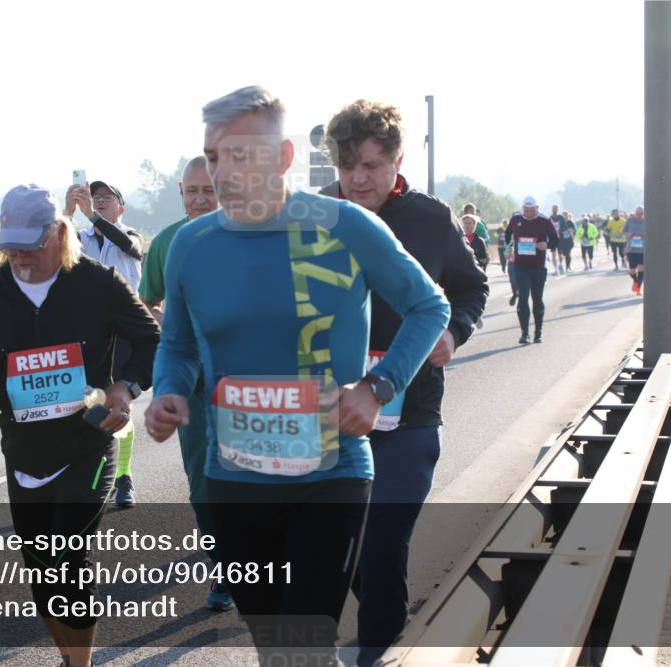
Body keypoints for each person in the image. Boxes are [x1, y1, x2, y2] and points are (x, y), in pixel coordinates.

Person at [145, 86, 450, 666]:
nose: (224, 173)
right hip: (233, 479)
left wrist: (378, 388)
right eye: (214, 157)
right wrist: (167, 392)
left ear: (284, 157)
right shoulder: (191, 244)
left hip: (330, 475)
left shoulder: (346, 225)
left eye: (241, 157)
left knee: (301, 646)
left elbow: (429, 307)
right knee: (276, 651)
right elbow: (179, 343)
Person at [0, 184, 160, 667]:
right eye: (10, 249)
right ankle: (68, 658)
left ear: (59, 233)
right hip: (23, 452)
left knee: (70, 560)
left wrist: (124, 388)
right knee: (42, 571)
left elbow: (149, 339)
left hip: (87, 441)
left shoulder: (99, 283)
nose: (20, 259)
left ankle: (80, 664)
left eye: (30, 247)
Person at [322, 99, 487, 667]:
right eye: (348, 168)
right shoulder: (317, 219)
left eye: (371, 164)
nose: (359, 178)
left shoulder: (430, 219)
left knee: (384, 545)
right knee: (346, 554)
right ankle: (391, 626)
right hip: (331, 414)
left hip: (409, 414)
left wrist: (455, 332)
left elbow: (470, 288)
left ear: (397, 160)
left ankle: (380, 651)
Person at [137, 156, 234, 612]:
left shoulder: (253, 236)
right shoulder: (168, 243)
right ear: (180, 190)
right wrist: (174, 330)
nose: (199, 200)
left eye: (209, 191)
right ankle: (224, 572)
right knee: (203, 481)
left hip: (248, 380)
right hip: (192, 382)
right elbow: (148, 299)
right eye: (191, 190)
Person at [65, 179, 143, 507]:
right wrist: (69, 211)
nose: (99, 202)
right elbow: (51, 244)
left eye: (106, 199)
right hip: (89, 335)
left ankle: (123, 478)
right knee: (89, 407)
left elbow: (129, 247)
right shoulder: (79, 239)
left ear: (120, 207)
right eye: (94, 198)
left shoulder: (130, 234)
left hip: (125, 333)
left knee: (119, 405)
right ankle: (95, 474)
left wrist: (93, 217)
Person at [506, 196, 558, 344]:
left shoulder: (545, 220)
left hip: (538, 266)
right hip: (520, 266)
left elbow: (555, 239)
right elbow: (508, 233)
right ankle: (524, 334)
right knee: (523, 298)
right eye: (526, 210)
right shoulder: (516, 219)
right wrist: (509, 248)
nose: (528, 213)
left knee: (537, 298)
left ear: (537, 208)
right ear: (522, 209)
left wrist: (546, 245)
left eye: (531, 210)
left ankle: (538, 332)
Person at [623, 205, 647, 296]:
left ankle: (638, 289)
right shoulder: (629, 221)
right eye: (638, 214)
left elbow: (652, 233)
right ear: (635, 213)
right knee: (632, 271)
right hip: (631, 250)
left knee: (641, 270)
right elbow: (623, 232)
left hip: (643, 250)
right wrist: (629, 234)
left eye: (641, 214)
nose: (639, 215)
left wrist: (645, 236)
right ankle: (636, 281)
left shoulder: (646, 222)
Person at [549, 204, 566, 275]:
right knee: (553, 254)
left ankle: (561, 265)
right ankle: (556, 269)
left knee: (560, 254)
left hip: (560, 238)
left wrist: (559, 231)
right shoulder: (549, 218)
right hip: (552, 238)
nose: (554, 210)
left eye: (556, 208)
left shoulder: (561, 217)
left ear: (558, 209)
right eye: (553, 208)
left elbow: (564, 227)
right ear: (552, 209)